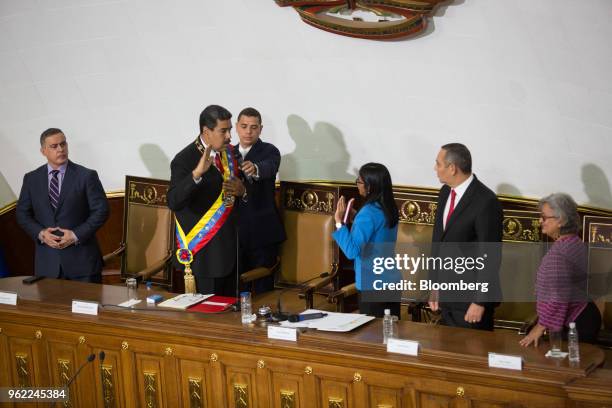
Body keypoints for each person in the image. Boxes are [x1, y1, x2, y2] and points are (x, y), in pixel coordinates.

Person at [167, 105, 246, 296]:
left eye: (229, 130)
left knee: (232, 319)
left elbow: (238, 193)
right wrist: (196, 175)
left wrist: (243, 191)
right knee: (208, 320)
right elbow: (174, 201)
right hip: (205, 256)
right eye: (223, 131)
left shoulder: (230, 153)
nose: (229, 136)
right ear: (206, 131)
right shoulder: (184, 159)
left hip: (233, 252)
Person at [16, 128, 109, 282]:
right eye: (54, 146)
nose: (60, 149)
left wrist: (75, 235)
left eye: (63, 144)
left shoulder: (86, 176)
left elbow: (101, 211)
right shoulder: (31, 179)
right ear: (43, 151)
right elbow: (22, 214)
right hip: (47, 266)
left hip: (83, 264)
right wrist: (41, 234)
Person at [428, 143, 503, 331]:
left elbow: (491, 256)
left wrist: (480, 301)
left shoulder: (486, 201)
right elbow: (438, 242)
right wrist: (434, 285)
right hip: (446, 297)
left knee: (472, 357)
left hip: (471, 302)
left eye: (438, 164)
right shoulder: (445, 192)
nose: (435, 168)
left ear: (452, 168)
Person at [520, 193, 601, 347]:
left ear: (561, 220)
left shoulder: (559, 254)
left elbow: (558, 297)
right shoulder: (575, 242)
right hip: (586, 315)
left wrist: (539, 327)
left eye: (544, 217)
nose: (540, 221)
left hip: (576, 325)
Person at [332, 163, 400, 318]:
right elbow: (378, 232)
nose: (357, 184)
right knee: (392, 330)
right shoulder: (389, 207)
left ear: (370, 186)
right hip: (391, 280)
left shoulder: (367, 213)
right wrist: (356, 218)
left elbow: (352, 251)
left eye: (359, 181)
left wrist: (338, 222)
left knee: (372, 336)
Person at [233, 107, 285, 292]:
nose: (248, 131)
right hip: (235, 232)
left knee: (263, 288)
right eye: (244, 126)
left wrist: (254, 168)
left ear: (260, 129)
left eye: (254, 127)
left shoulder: (270, 151)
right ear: (236, 127)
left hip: (262, 231)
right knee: (236, 285)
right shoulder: (228, 153)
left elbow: (269, 167)